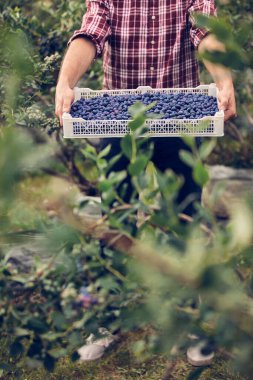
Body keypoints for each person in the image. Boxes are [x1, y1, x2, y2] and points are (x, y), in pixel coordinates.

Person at [55, 0, 236, 365]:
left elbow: (205, 32)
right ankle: (105, 318)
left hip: (179, 115)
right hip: (119, 118)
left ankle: (187, 319)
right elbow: (89, 34)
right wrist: (65, 82)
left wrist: (224, 78)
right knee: (114, 217)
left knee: (184, 215)